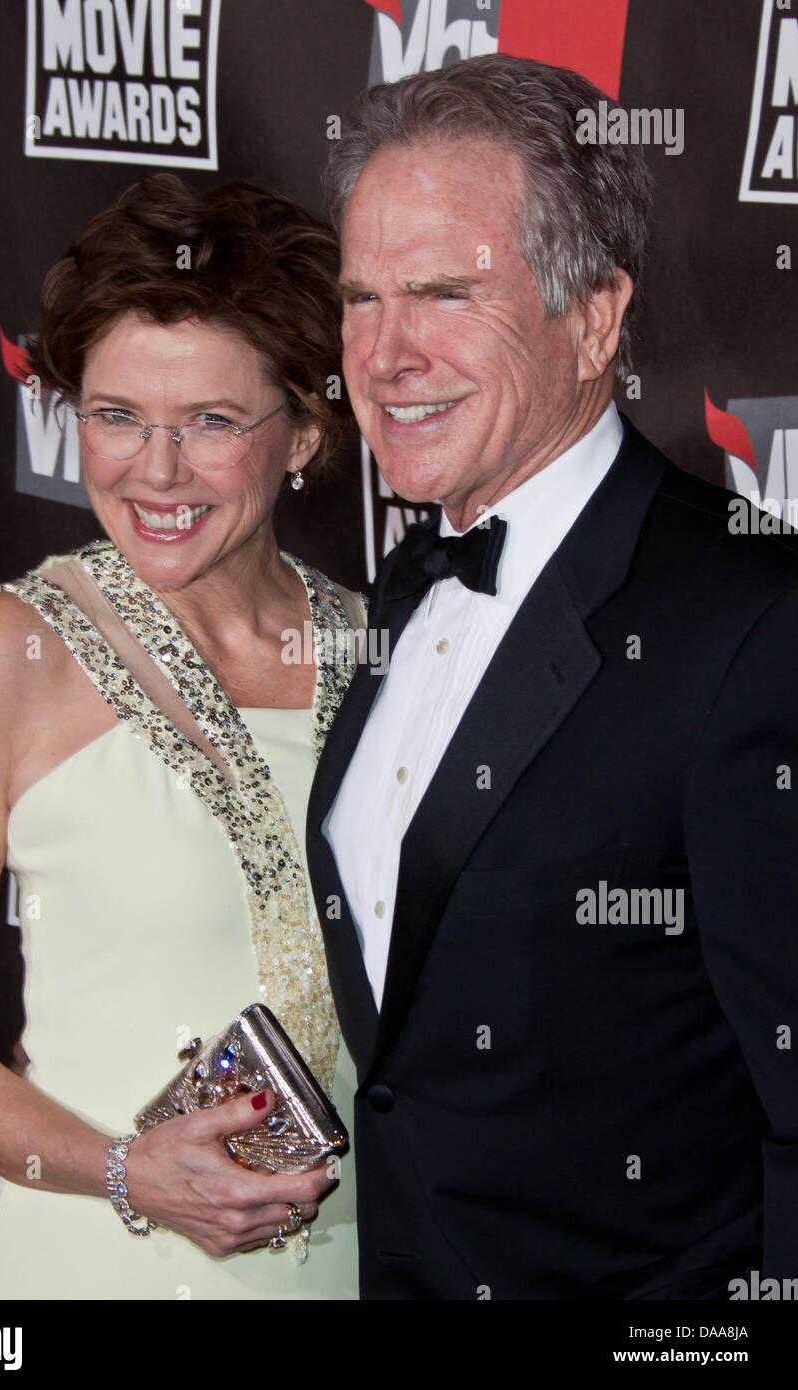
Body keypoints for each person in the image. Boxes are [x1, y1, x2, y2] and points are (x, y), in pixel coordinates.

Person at [306, 54, 798, 1300]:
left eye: (441, 293)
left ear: (595, 319)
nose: (386, 351)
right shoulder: (409, 584)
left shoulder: (754, 623)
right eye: (361, 298)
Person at [0, 173, 363, 1300]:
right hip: (94, 1266)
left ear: (305, 429)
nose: (156, 471)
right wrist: (125, 1172)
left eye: (212, 423)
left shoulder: (385, 653)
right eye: (116, 416)